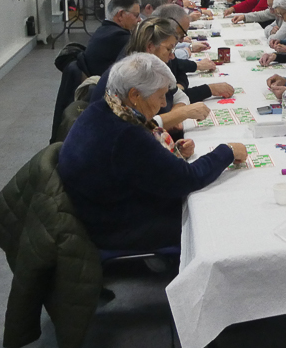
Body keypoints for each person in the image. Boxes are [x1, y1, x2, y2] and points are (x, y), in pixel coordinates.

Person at [58, 53, 246, 251]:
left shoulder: (104, 107)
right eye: (160, 96)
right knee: (213, 217)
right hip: (115, 226)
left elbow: (138, 160)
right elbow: (187, 179)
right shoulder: (126, 134)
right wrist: (228, 151)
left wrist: (169, 152)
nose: (164, 103)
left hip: (98, 206)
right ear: (135, 95)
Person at [91, 18, 213, 131]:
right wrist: (180, 114)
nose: (172, 56)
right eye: (168, 49)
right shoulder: (130, 74)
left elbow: (180, 96)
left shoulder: (151, 68)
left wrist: (174, 115)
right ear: (150, 47)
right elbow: (136, 125)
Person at [152, 5, 235, 103]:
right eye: (181, 34)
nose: (182, 40)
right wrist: (209, 90)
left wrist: (179, 90)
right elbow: (167, 102)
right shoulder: (150, 62)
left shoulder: (164, 52)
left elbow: (179, 71)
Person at [83, 0, 140, 76]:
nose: (139, 20)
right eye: (136, 15)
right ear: (120, 15)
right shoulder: (120, 37)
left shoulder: (102, 30)